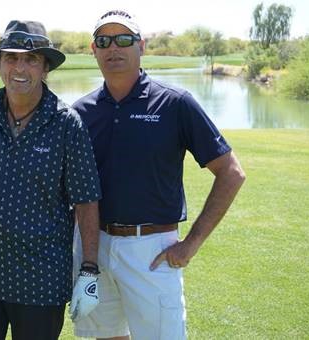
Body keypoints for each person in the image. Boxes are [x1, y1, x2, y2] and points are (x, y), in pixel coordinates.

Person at [72, 10, 246, 340]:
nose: (113, 48)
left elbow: (231, 173)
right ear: (93, 50)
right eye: (103, 41)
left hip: (151, 249)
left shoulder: (175, 103)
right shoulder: (81, 112)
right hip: (93, 248)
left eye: (123, 39)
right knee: (107, 336)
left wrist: (192, 243)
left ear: (141, 46)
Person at [0, 20, 101, 340]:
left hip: (41, 281)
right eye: (11, 58)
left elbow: (86, 200)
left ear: (44, 69)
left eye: (31, 60)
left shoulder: (66, 123)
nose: (20, 67)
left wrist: (89, 270)